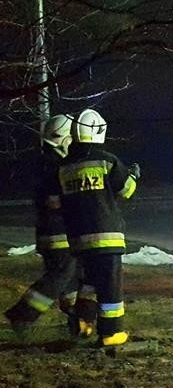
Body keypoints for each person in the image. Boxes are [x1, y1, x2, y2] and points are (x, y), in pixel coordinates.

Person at [59, 109, 139, 348]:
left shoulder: (64, 167)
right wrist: (133, 175)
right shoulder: (106, 160)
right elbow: (126, 191)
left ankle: (83, 321)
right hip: (106, 238)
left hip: (78, 240)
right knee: (110, 287)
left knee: (89, 284)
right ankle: (111, 332)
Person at [4, 114, 83, 336]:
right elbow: (57, 199)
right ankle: (22, 314)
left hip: (51, 232)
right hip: (59, 233)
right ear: (65, 140)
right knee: (60, 276)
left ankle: (75, 322)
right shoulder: (56, 165)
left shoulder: (45, 161)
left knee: (68, 279)